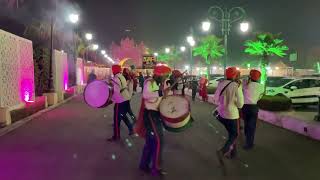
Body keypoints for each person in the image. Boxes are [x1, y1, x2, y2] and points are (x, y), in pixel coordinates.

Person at [135, 64, 171, 176]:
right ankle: (156, 168)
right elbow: (146, 95)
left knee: (151, 142)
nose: (166, 77)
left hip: (155, 114)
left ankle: (144, 164)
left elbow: (160, 98)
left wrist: (165, 93)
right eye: (164, 75)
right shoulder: (149, 82)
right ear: (159, 74)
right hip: (151, 115)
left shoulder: (159, 83)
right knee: (158, 141)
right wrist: (161, 93)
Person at [213, 67, 244, 159]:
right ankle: (223, 151)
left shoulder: (221, 83)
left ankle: (233, 153)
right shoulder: (236, 85)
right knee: (234, 135)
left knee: (231, 135)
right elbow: (240, 104)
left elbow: (215, 99)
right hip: (232, 115)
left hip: (221, 114)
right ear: (235, 75)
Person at [107, 65, 134, 142]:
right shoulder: (122, 77)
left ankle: (116, 136)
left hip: (120, 100)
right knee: (123, 115)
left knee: (116, 118)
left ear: (114, 70)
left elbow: (116, 92)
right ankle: (131, 129)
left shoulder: (115, 79)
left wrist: (111, 100)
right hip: (126, 98)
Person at [242, 69, 264, 150]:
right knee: (252, 126)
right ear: (258, 78)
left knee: (246, 124)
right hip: (253, 108)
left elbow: (243, 81)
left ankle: (247, 139)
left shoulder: (245, 84)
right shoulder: (261, 86)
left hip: (245, 107)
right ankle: (249, 143)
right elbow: (259, 97)